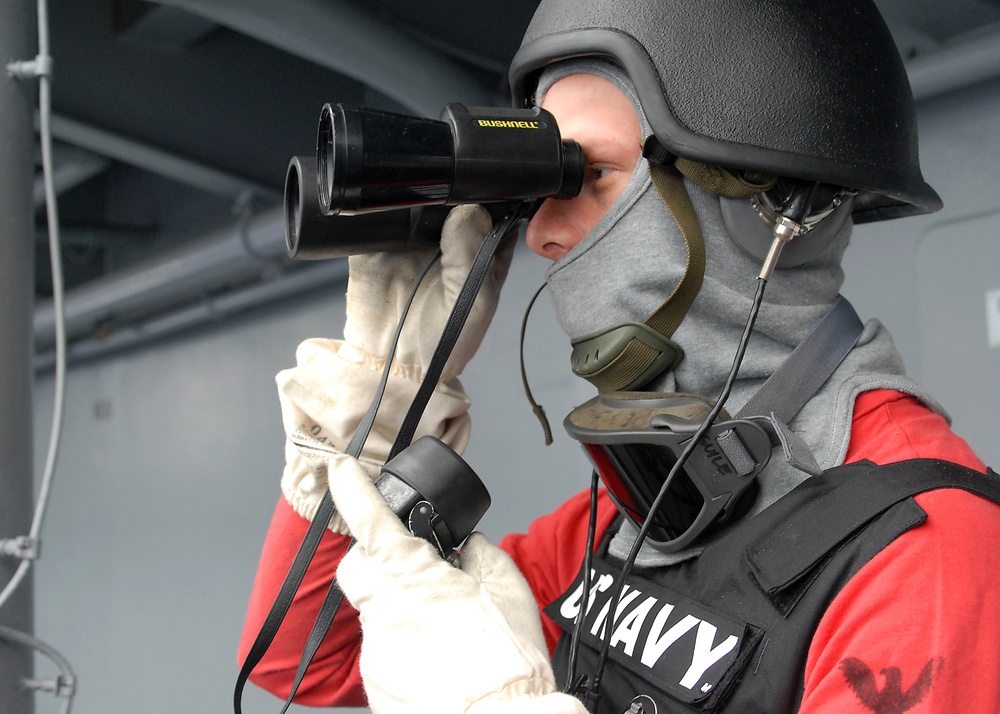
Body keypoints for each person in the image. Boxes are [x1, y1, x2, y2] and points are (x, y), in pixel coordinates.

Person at [239, 0, 1000, 712]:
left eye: (591, 176)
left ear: (779, 207)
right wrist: (386, 391)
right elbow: (312, 663)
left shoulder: (926, 556)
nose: (540, 234)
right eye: (543, 187)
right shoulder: (645, 516)